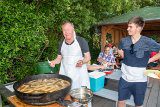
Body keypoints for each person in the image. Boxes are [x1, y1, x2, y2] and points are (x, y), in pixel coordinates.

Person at [117, 16, 160, 107]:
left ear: (138, 28)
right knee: (121, 101)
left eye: (130, 26)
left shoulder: (148, 42)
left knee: (138, 104)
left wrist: (150, 60)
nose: (127, 28)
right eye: (128, 26)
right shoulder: (124, 41)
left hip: (140, 80)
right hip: (124, 79)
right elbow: (119, 49)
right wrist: (125, 56)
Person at [50, 21, 91, 90]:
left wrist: (82, 61)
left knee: (80, 97)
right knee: (66, 96)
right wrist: (54, 62)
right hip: (65, 74)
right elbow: (59, 58)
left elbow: (88, 57)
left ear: (73, 29)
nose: (66, 32)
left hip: (79, 75)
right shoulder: (61, 43)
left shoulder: (81, 41)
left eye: (68, 29)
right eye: (64, 30)